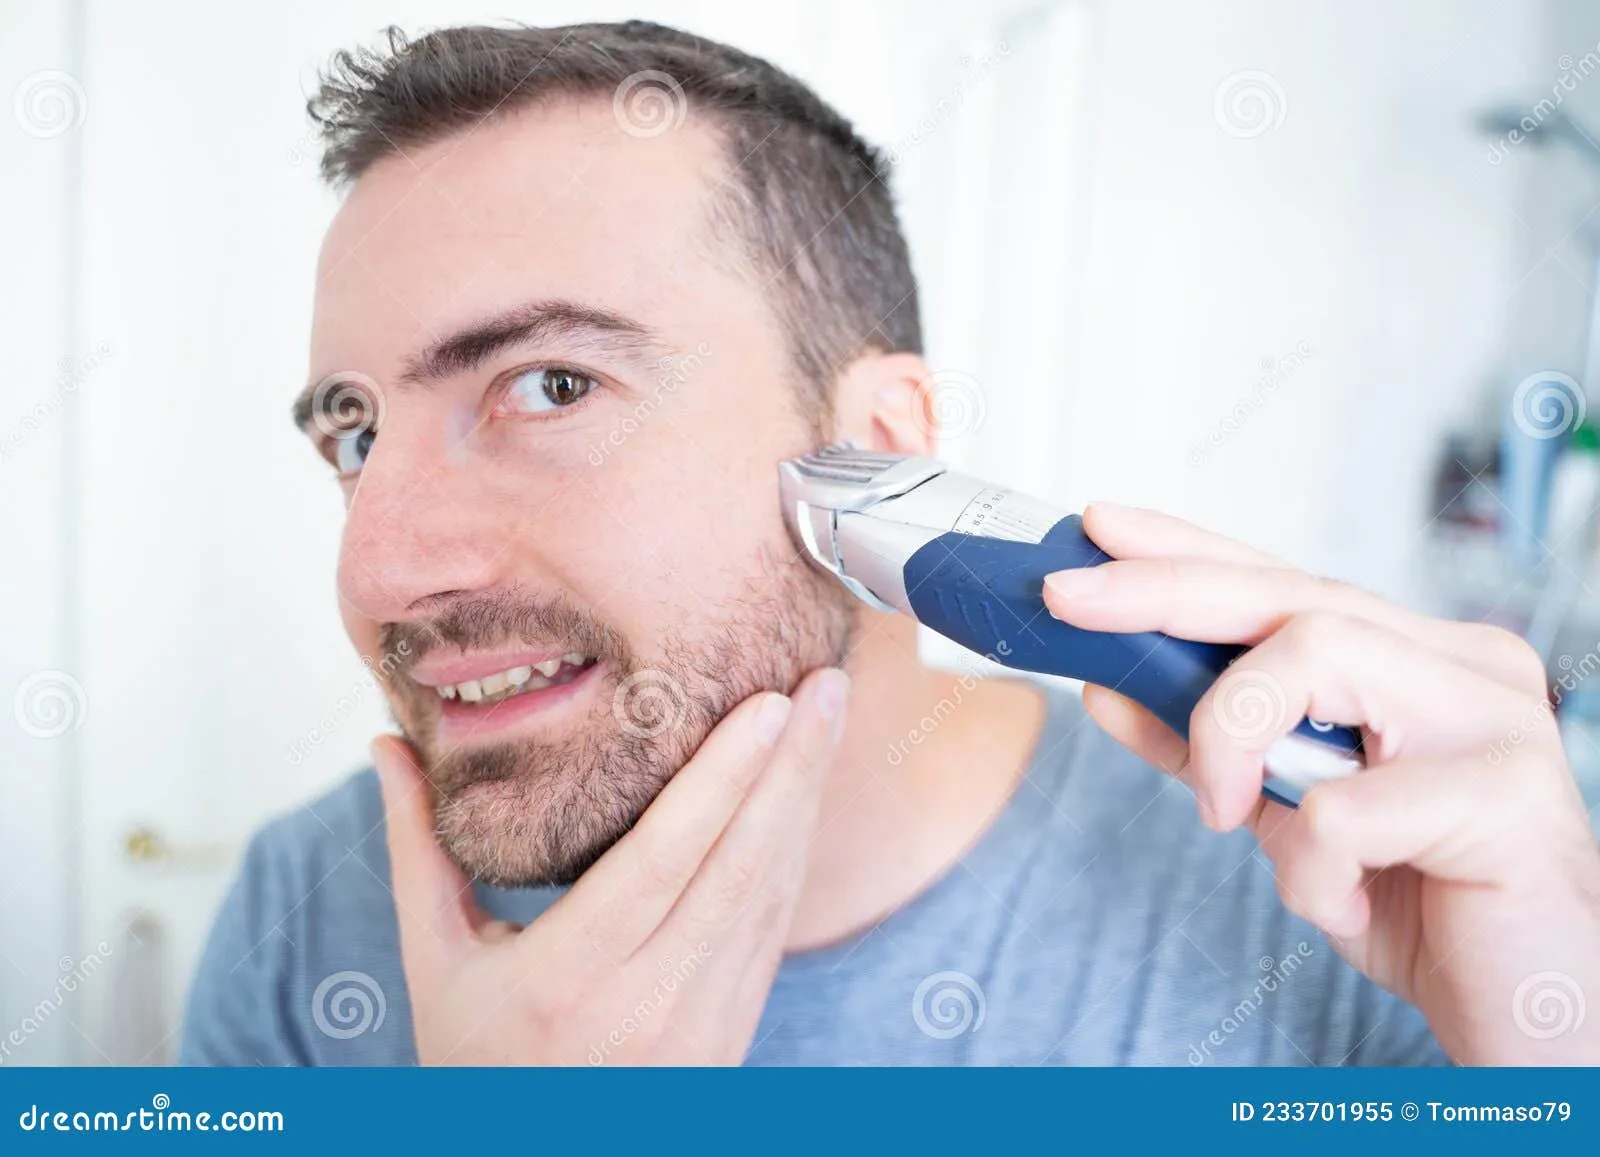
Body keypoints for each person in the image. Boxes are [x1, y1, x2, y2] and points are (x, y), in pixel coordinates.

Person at [180, 20, 1600, 1066]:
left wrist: (1554, 1052)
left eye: (552, 386)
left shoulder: (1334, 908)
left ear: (879, 441)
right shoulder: (314, 915)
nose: (381, 567)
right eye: (355, 436)